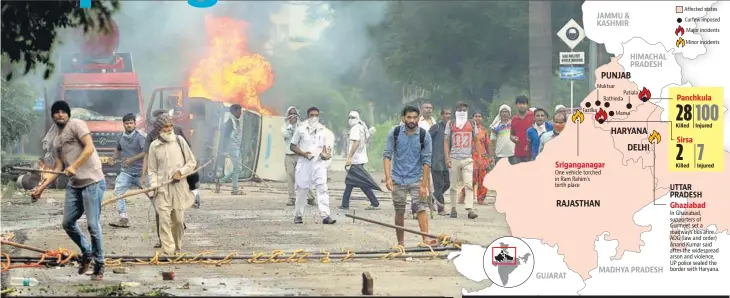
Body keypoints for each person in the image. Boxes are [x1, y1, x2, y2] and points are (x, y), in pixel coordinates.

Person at [31, 100, 106, 280]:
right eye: (56, 112)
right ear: (53, 116)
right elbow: (58, 167)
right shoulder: (56, 140)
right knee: (67, 223)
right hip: (75, 185)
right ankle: (87, 252)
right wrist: (40, 188)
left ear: (68, 114)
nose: (60, 114)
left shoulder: (77, 125)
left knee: (93, 225)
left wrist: (75, 167)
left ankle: (100, 263)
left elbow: (89, 148)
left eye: (63, 111)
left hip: (92, 181)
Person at [142, 110, 194, 249]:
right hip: (162, 188)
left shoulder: (179, 140)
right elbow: (152, 170)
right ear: (159, 129)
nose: (169, 129)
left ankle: (177, 247)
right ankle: (168, 251)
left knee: (178, 220)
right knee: (164, 220)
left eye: (171, 125)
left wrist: (180, 172)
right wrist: (153, 186)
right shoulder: (154, 146)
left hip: (179, 187)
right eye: (166, 126)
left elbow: (191, 162)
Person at [383, 105, 435, 246]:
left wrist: (424, 185)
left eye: (414, 117)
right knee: (399, 210)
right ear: (403, 118)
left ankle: (426, 240)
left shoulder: (424, 136)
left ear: (418, 118)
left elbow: (426, 162)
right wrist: (388, 178)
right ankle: (401, 243)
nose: (412, 120)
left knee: (420, 207)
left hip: (416, 178)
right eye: (409, 117)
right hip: (398, 178)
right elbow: (387, 156)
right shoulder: (395, 133)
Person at [290, 107, 337, 225]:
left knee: (322, 188)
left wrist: (326, 156)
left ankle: (326, 216)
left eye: (316, 115)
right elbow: (292, 146)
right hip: (304, 163)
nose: (314, 117)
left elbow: (327, 150)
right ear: (308, 116)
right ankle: (298, 215)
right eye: (312, 115)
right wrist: (303, 154)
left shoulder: (323, 131)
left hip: (319, 164)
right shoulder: (301, 129)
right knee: (301, 189)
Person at [108, 113, 147, 228]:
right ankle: (123, 218)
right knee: (118, 192)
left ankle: (167, 217)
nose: (129, 125)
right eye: (127, 123)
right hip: (127, 172)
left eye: (131, 123)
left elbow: (145, 152)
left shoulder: (141, 137)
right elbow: (118, 150)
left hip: (142, 173)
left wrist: (132, 160)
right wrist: (113, 158)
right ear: (123, 124)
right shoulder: (120, 137)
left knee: (154, 195)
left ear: (135, 124)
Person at [444, 102, 479, 219]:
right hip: (454, 158)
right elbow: (446, 141)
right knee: (453, 186)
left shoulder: (472, 124)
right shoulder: (451, 124)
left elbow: (476, 140)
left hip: (467, 158)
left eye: (464, 110)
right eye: (460, 109)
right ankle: (453, 208)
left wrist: (478, 157)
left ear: (467, 111)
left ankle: (470, 209)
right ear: (456, 111)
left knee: (468, 184)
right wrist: (447, 157)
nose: (462, 111)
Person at [340, 111, 380, 210]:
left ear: (357, 118)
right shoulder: (361, 127)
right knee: (352, 182)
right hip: (360, 158)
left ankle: (374, 202)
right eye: (349, 117)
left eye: (353, 117)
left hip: (356, 160)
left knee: (357, 182)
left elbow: (356, 143)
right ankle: (345, 204)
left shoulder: (355, 128)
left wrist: (349, 157)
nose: (350, 119)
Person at [283, 106, 316, 207]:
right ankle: (291, 198)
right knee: (290, 177)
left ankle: (310, 198)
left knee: (304, 176)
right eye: (290, 114)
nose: (292, 115)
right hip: (289, 155)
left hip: (300, 154)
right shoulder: (284, 126)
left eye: (294, 114)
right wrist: (291, 125)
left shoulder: (302, 126)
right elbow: (288, 136)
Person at [428, 108, 451, 215]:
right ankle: (441, 209)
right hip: (436, 161)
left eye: (450, 114)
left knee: (447, 184)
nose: (448, 116)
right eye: (446, 114)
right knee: (439, 185)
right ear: (441, 115)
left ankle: (429, 199)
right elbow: (426, 140)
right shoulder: (436, 127)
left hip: (446, 162)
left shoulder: (451, 128)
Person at [219, 104, 245, 195]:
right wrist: (224, 150)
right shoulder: (230, 121)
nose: (241, 112)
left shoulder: (236, 120)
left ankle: (221, 182)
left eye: (241, 110)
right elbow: (225, 136)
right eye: (239, 111)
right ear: (234, 111)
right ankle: (234, 189)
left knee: (238, 168)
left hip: (236, 147)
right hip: (232, 147)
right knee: (238, 168)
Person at [471, 112, 493, 204]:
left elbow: (488, 144)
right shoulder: (469, 129)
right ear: (472, 118)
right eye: (476, 116)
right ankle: (463, 195)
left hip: (483, 157)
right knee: (472, 178)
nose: (478, 118)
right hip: (472, 156)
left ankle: (481, 198)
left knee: (484, 178)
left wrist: (491, 156)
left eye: (480, 116)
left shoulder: (484, 130)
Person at [510, 95, 534, 165]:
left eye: (524, 104)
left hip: (531, 153)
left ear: (527, 105)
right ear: (516, 105)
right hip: (518, 154)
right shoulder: (514, 119)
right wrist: (513, 138)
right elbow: (512, 135)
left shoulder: (533, 116)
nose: (522, 106)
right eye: (520, 104)